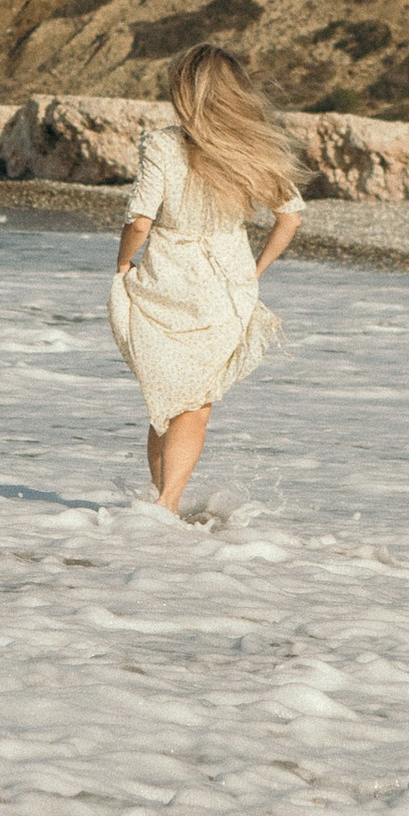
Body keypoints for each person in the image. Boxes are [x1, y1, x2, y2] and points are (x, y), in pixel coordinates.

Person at [110, 45, 304, 513]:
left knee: (165, 400)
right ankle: (166, 504)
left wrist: (122, 264)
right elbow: (291, 217)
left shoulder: (161, 143)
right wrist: (254, 272)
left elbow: (140, 220)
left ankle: (164, 503)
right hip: (227, 284)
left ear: (185, 91)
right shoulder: (252, 146)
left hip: (166, 281)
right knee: (194, 403)